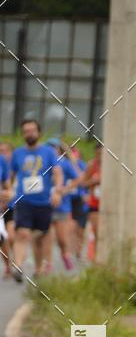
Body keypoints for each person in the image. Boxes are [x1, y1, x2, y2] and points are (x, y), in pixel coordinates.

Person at [10, 119, 63, 282]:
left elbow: (57, 173)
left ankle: (39, 268)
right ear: (23, 134)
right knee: (22, 233)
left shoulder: (48, 152)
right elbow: (11, 176)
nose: (29, 134)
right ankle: (18, 266)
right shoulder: (17, 153)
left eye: (32, 130)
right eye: (26, 131)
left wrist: (57, 192)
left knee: (40, 237)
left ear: (39, 133)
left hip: (43, 202)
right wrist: (9, 192)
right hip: (24, 200)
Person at [46, 139, 77, 271]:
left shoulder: (65, 164)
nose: (50, 150)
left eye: (53, 148)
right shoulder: (42, 163)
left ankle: (65, 254)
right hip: (45, 205)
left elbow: (77, 179)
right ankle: (47, 263)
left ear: (58, 149)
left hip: (62, 206)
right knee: (46, 236)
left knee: (61, 238)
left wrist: (65, 190)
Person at [76, 143, 102, 256]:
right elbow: (83, 183)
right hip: (95, 204)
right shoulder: (92, 165)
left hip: (110, 204)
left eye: (103, 154)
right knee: (97, 232)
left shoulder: (112, 166)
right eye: (98, 154)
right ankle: (96, 258)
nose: (101, 156)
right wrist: (94, 181)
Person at [0, 143, 12, 277]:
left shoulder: (2, 160)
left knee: (1, 239)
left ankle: (8, 266)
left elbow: (7, 185)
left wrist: (5, 199)